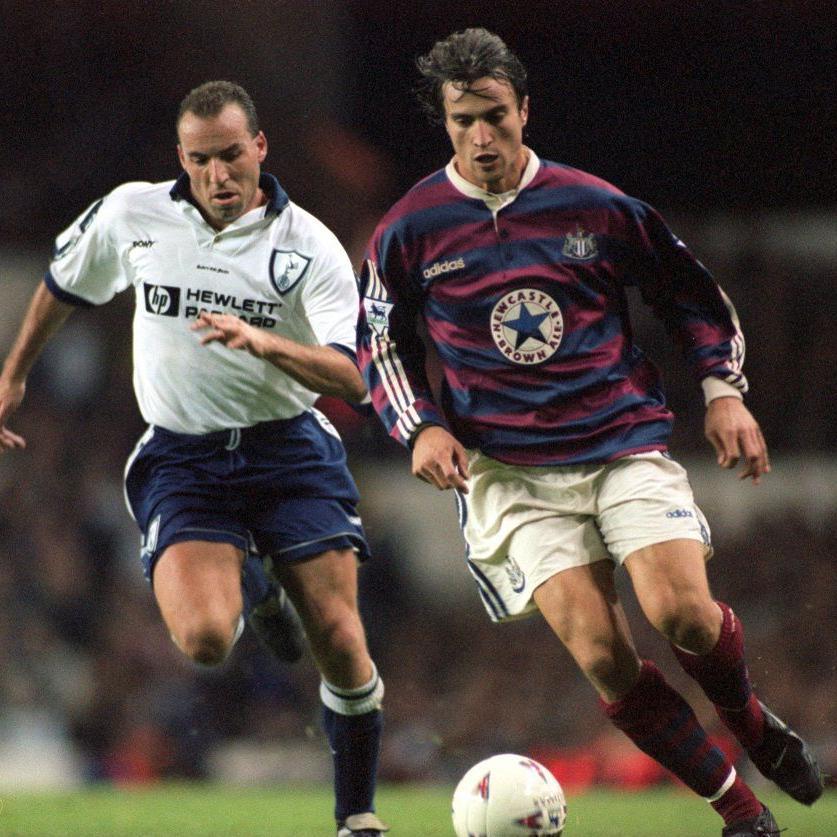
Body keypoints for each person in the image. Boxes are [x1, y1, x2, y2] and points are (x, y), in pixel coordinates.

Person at [357, 29, 823, 837]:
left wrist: (722, 391)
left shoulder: (594, 206)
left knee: (680, 611)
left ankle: (748, 720)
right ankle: (740, 812)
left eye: (495, 115)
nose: (481, 135)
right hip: (508, 472)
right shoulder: (411, 229)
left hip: (618, 440)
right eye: (463, 119)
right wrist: (420, 427)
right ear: (444, 121)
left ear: (524, 109)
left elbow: (688, 294)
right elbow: (380, 344)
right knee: (602, 655)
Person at [0, 81, 388, 837]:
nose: (219, 174)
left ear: (259, 149)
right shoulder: (133, 213)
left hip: (289, 452)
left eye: (232, 155)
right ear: (183, 157)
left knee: (339, 636)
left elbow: (355, 376)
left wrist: (268, 342)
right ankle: (261, 582)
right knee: (206, 640)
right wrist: (14, 373)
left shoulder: (307, 245)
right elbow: (60, 285)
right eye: (203, 158)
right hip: (184, 460)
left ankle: (356, 814)